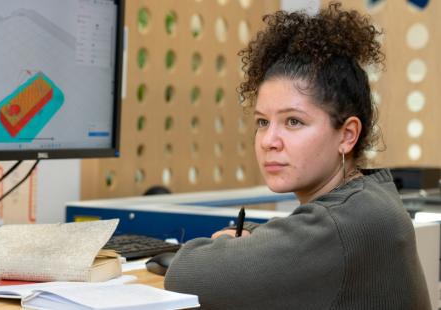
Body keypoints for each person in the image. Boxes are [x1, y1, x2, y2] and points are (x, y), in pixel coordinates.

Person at [164, 2, 431, 309]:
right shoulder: (369, 197)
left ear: (347, 135)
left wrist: (225, 242)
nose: (269, 141)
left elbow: (184, 275)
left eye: (293, 121)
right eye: (263, 122)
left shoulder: (341, 223)